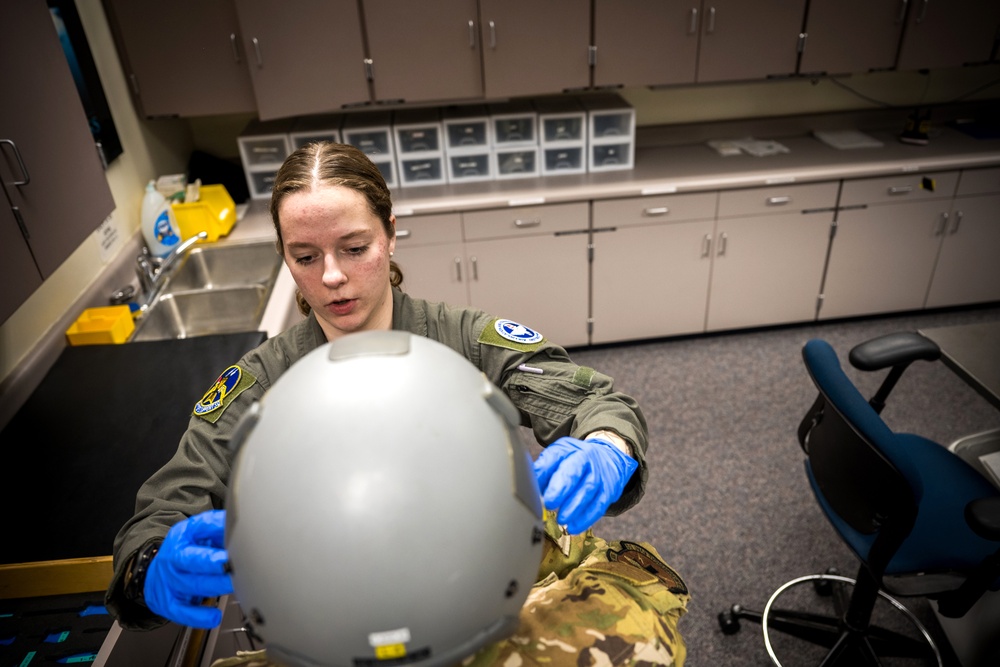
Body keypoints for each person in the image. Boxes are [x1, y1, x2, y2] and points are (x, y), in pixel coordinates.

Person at [105, 142, 687, 663]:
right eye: (305, 257)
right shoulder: (260, 384)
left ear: (388, 232)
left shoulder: (462, 339)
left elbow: (594, 401)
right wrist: (152, 565)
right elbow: (161, 509)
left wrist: (605, 448)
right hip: (330, 615)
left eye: (354, 247)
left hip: (475, 582)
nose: (332, 276)